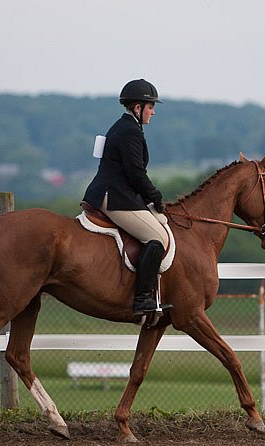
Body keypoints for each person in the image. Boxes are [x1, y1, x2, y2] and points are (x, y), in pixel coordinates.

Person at [83, 79, 172, 316]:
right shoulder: (130, 131)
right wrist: (155, 197)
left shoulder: (124, 127)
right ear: (137, 107)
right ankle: (142, 299)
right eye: (151, 106)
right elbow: (135, 174)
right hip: (113, 196)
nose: (153, 112)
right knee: (158, 238)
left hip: (116, 192)